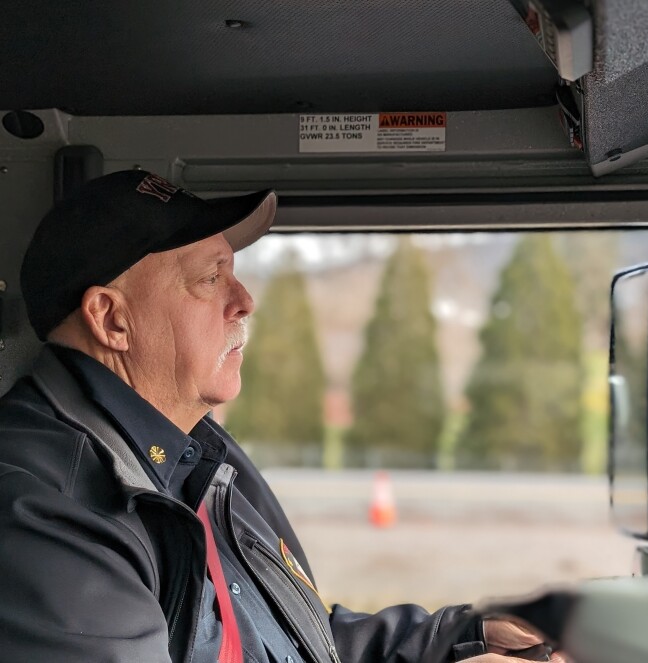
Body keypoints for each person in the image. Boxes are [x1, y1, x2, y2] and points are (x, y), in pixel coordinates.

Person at [0, 170, 565, 663]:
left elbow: (284, 645)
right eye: (211, 277)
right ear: (111, 319)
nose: (244, 300)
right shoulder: (45, 509)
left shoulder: (190, 455)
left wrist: (460, 637)